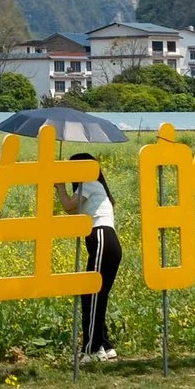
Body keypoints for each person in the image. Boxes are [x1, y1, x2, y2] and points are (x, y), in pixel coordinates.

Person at [61, 151, 119, 360]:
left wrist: (59, 186)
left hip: (102, 238)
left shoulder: (90, 182)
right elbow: (72, 210)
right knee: (97, 294)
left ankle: (92, 350)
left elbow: (68, 206)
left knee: (91, 294)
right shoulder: (94, 186)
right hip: (107, 242)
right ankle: (105, 345)